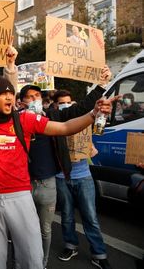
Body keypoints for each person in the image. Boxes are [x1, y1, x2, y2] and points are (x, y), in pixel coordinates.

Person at [0, 74, 114, 269]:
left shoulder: (25, 119)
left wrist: (93, 114)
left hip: (20, 197)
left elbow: (65, 127)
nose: (9, 97)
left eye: (11, 93)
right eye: (3, 94)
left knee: (32, 259)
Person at [19, 64, 111, 269]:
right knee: (29, 226)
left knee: (56, 225)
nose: (34, 100)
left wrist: (101, 85)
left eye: (37, 96)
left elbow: (81, 109)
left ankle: (44, 263)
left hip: (55, 180)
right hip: (24, 184)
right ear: (21, 102)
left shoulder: (54, 116)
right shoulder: (17, 121)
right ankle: (30, 260)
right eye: (29, 97)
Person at [54, 91, 113, 269]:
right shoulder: (54, 122)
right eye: (62, 103)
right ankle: (70, 246)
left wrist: (102, 111)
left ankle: (99, 253)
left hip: (83, 176)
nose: (66, 105)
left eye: (68, 102)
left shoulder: (85, 118)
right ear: (56, 106)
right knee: (66, 215)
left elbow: (100, 126)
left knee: (91, 217)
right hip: (61, 177)